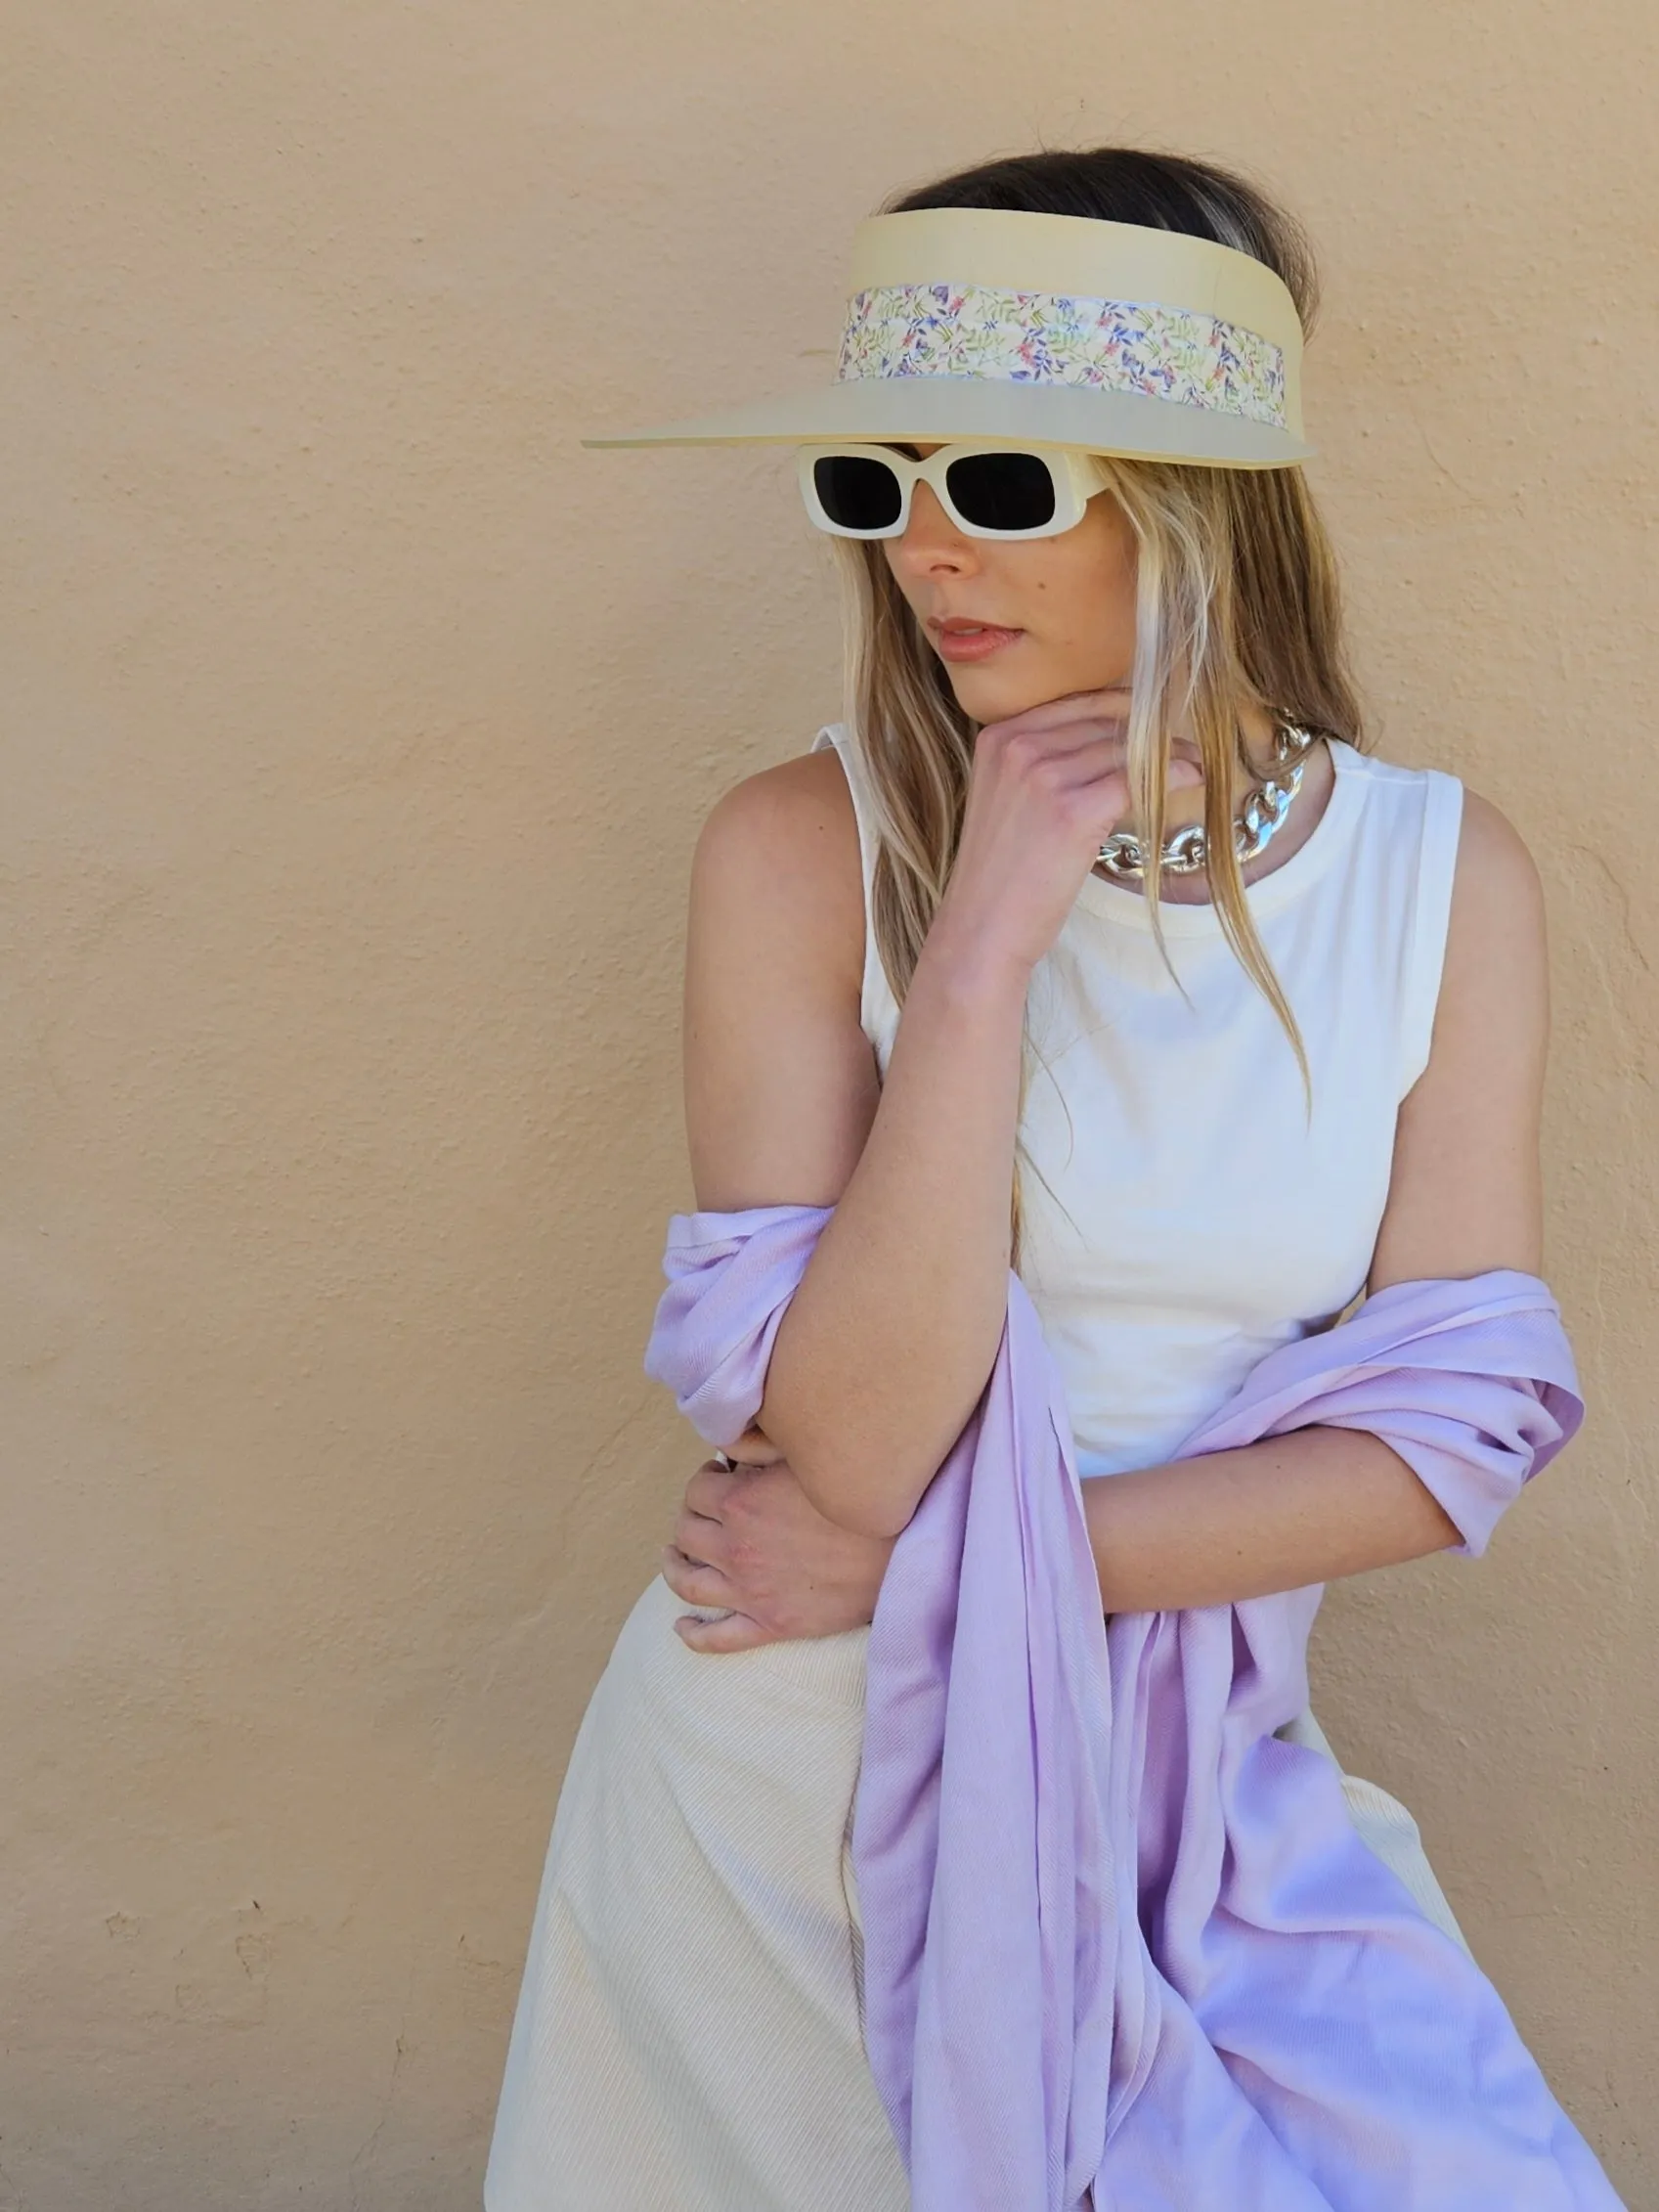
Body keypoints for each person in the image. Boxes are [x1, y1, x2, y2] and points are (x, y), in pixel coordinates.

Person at [485, 147, 1624, 2209]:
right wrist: (984, 945)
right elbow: (830, 1445)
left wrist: (958, 1564)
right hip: (783, 1811)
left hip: (1191, 1807)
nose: (926, 550)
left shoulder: (1432, 882)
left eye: (996, 482)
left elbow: (1446, 1441)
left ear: (1198, 498)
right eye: (874, 481)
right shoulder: (795, 850)